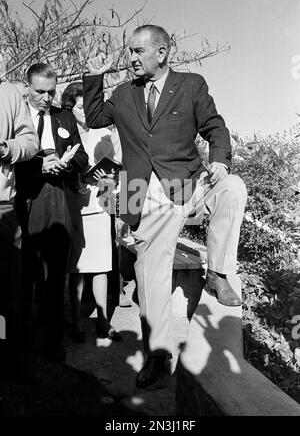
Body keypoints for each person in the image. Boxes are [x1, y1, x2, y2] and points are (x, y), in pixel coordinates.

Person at [83, 24, 247, 388]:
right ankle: (157, 354)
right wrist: (95, 74)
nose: (131, 59)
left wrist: (219, 159)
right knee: (149, 274)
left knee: (233, 188)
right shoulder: (124, 93)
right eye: (129, 52)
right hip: (144, 193)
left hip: (187, 184)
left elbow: (215, 127)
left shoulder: (191, 84)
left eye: (137, 51)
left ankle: (218, 272)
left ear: (162, 52)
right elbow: (95, 118)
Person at [16, 64, 88, 362]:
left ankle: (53, 342)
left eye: (51, 92)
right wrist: (39, 166)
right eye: (40, 92)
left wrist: (66, 163)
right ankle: (18, 342)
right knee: (22, 277)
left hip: (58, 198)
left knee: (55, 277)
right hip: (24, 200)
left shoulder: (64, 117)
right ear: (26, 87)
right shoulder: (14, 118)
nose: (46, 98)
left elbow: (82, 156)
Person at [61, 81, 122, 343]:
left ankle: (103, 320)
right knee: (75, 267)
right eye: (79, 106)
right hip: (74, 205)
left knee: (100, 267)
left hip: (98, 207)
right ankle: (74, 322)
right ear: (70, 108)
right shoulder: (64, 132)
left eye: (88, 106)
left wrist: (107, 180)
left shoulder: (105, 135)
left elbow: (116, 176)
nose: (84, 112)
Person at [0, 80, 39, 368]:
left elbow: (30, 142)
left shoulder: (8, 92)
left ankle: (10, 356)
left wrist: (7, 148)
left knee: (10, 290)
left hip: (3, 208)